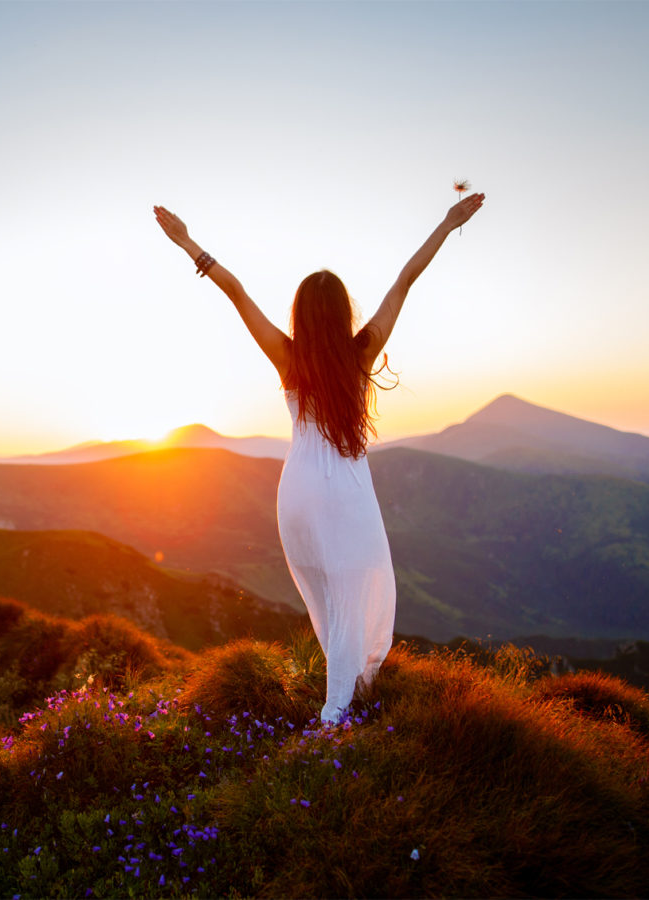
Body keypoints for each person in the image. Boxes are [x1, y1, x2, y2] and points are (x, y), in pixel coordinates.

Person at [153, 193, 486, 723]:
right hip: (345, 488)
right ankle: (343, 704)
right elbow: (405, 281)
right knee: (363, 581)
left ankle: (344, 686)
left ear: (302, 316)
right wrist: (448, 224)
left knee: (327, 590)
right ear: (341, 314)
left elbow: (236, 293)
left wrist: (187, 243)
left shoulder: (287, 358)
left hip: (299, 490)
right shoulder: (361, 352)